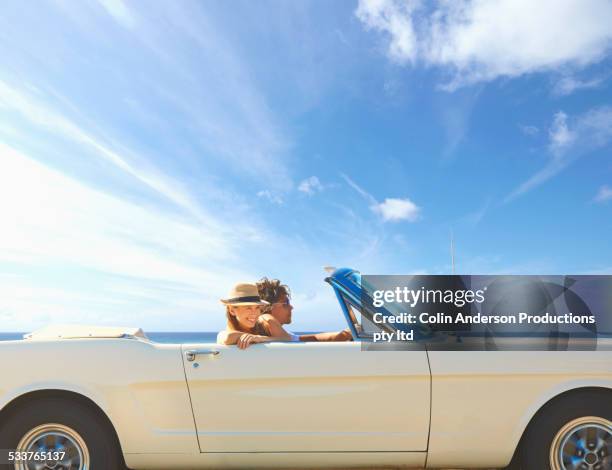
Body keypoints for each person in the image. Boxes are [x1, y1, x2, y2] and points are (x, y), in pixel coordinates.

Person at [256, 277, 353, 342]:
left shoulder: (282, 335)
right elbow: (264, 319)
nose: (291, 307)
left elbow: (314, 338)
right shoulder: (265, 322)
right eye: (286, 303)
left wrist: (346, 334)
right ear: (269, 307)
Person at [217, 282, 290, 349]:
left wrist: (260, 338)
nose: (254, 313)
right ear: (232, 310)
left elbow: (287, 338)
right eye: (248, 308)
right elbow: (227, 338)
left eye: (257, 307)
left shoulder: (266, 321)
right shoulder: (228, 332)